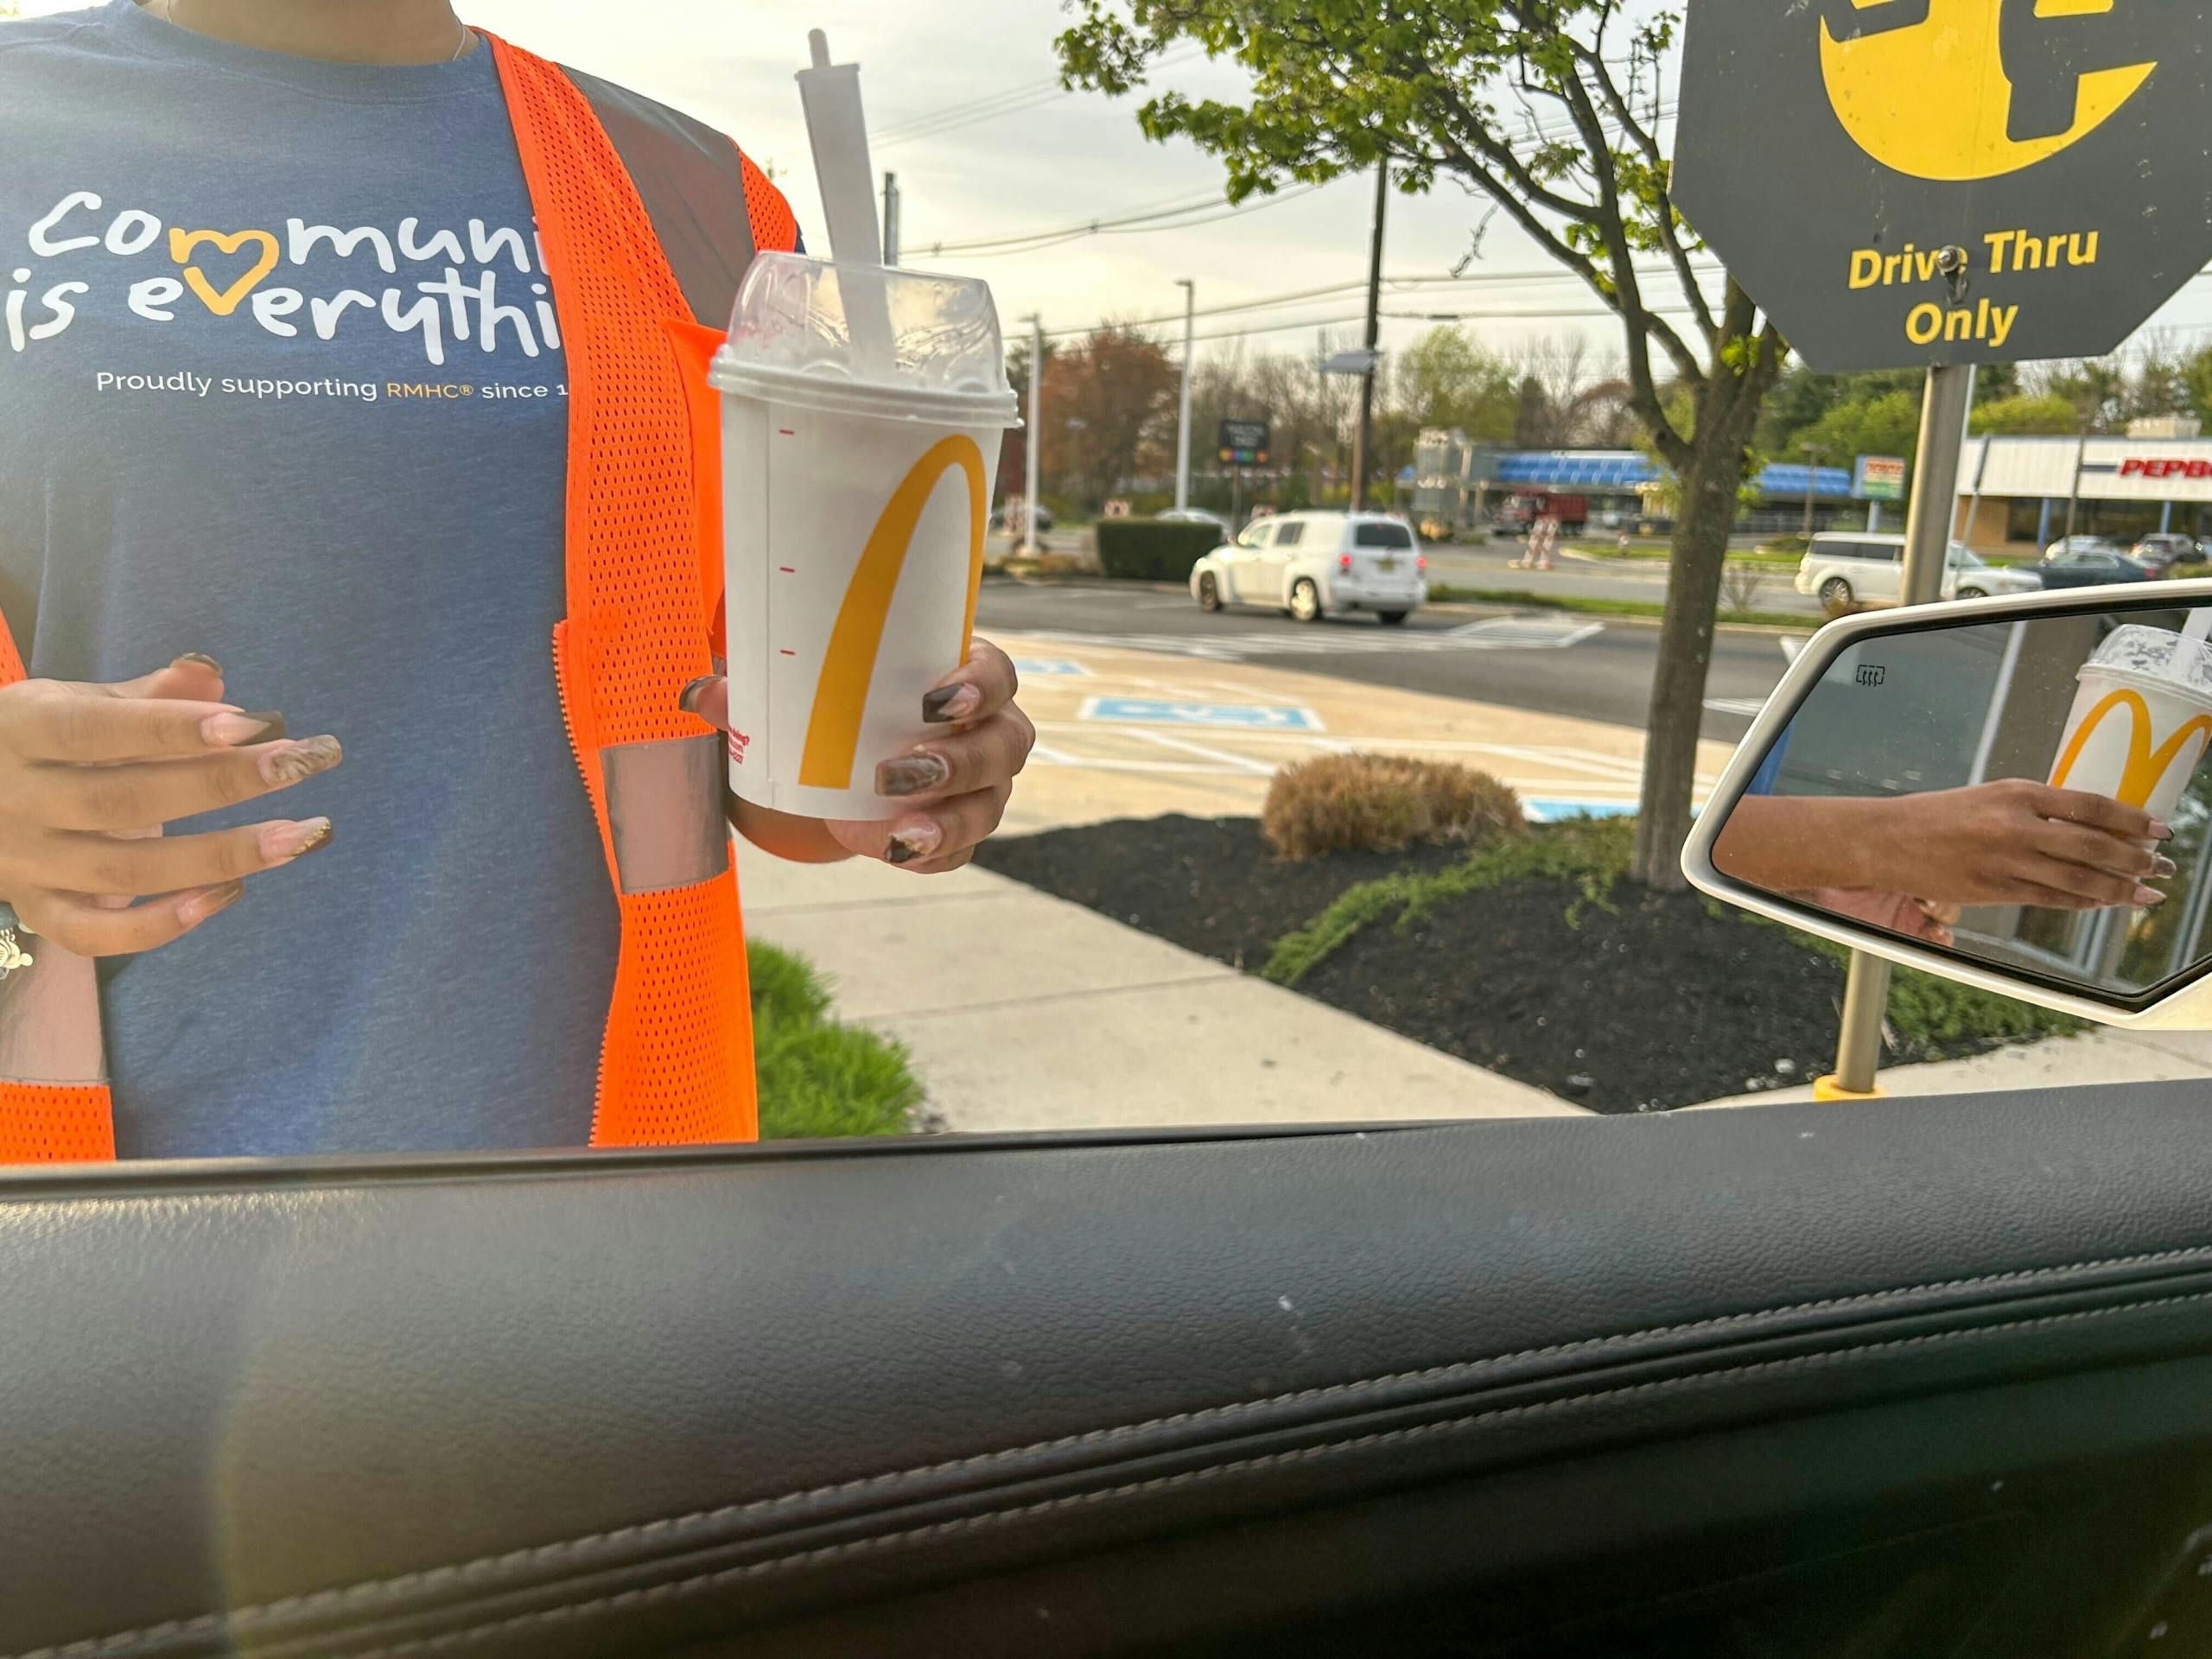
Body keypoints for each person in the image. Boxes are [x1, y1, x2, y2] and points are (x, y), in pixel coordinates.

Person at [0, 0, 1035, 1162]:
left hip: (603, 1188)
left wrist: (885, 766)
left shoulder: (698, 196)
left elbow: (746, 751)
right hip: (69, 1215)